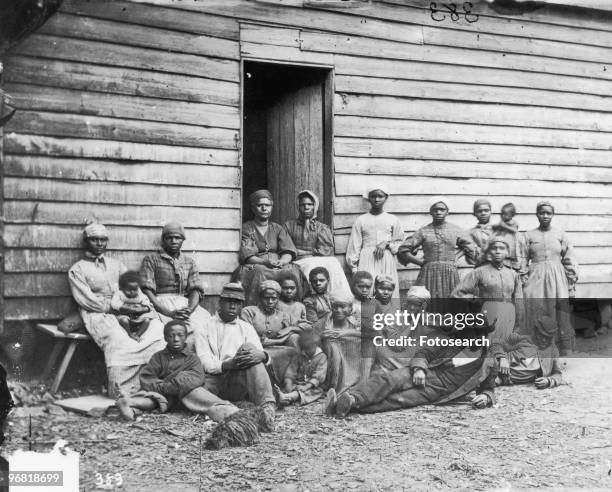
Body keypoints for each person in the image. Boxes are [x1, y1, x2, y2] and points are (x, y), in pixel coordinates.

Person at [68, 224, 165, 398]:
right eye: (94, 239)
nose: (99, 243)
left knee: (157, 331)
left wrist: (145, 306)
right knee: (118, 338)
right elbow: (87, 300)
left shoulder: (117, 265)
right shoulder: (78, 269)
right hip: (98, 313)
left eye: (103, 240)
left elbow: (134, 288)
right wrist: (115, 308)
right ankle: (124, 392)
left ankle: (153, 385)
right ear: (86, 242)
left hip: (128, 310)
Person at [325, 322, 502, 417]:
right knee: (390, 379)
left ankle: (348, 406)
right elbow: (424, 353)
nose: (472, 337)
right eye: (468, 332)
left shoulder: (487, 362)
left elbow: (488, 387)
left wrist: (486, 397)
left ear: (485, 336)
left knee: (398, 400)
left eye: (478, 334)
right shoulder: (452, 342)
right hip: (426, 373)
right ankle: (354, 397)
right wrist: (419, 369)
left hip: (438, 390)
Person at [115, 320, 239, 422]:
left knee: (195, 391)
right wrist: (164, 387)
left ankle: (222, 408)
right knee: (153, 399)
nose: (175, 339)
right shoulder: (158, 357)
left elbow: (197, 377)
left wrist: (175, 384)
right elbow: (147, 377)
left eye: (180, 335)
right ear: (165, 337)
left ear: (185, 337)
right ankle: (129, 403)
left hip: (183, 392)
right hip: (163, 394)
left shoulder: (191, 357)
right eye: (171, 335)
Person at [194, 283, 276, 422]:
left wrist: (263, 356)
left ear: (241, 306)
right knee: (194, 390)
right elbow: (205, 362)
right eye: (229, 302)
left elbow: (258, 355)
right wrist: (228, 364)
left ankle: (267, 408)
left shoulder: (246, 327)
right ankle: (231, 407)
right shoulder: (204, 327)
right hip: (215, 381)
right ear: (220, 302)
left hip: (238, 380)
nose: (233, 306)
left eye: (237, 303)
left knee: (249, 348)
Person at [140, 223, 211, 349]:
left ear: (183, 240)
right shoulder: (151, 259)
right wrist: (167, 312)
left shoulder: (189, 262)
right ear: (163, 240)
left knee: (203, 326)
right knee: (160, 332)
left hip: (183, 303)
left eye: (177, 238)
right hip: (159, 304)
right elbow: (147, 290)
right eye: (169, 238)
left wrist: (189, 309)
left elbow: (195, 289)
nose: (173, 241)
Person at [398, 197, 474, 313]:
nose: (438, 212)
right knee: (427, 302)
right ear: (430, 212)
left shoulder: (455, 229)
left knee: (451, 303)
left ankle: (449, 329)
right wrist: (419, 262)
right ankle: (428, 329)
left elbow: (469, 246)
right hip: (429, 272)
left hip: (449, 272)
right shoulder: (424, 231)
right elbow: (403, 249)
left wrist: (456, 257)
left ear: (447, 212)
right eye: (435, 209)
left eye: (442, 209)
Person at [523, 201, 578, 355]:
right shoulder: (528, 235)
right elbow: (522, 259)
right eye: (542, 212)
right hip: (536, 277)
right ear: (537, 214)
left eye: (549, 213)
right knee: (537, 310)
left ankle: (563, 352)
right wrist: (523, 279)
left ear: (553, 215)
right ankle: (538, 351)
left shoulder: (561, 235)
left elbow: (569, 259)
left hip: (557, 277)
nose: (545, 216)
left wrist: (571, 283)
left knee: (559, 311)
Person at [232, 190, 304, 306]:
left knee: (293, 271)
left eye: (267, 205)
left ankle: (293, 309)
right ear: (253, 208)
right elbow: (249, 256)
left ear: (272, 207)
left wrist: (282, 261)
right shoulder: (247, 228)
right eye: (260, 205)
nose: (264, 209)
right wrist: (266, 262)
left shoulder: (277, 228)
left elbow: (288, 251)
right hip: (259, 264)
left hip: (277, 264)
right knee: (259, 272)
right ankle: (256, 309)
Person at [451, 239, 524, 344]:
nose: (498, 251)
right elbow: (456, 294)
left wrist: (518, 325)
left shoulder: (513, 274)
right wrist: (475, 300)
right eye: (494, 249)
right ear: (489, 252)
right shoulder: (479, 272)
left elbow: (519, 302)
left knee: (507, 350)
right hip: (487, 319)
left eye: (501, 248)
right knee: (489, 351)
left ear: (507, 252)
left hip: (508, 318)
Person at [284, 190, 352, 297]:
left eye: (310, 204)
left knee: (333, 262)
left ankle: (339, 296)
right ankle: (316, 298)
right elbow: (287, 248)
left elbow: (326, 250)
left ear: (315, 206)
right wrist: (300, 253)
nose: (306, 207)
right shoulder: (289, 226)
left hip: (315, 258)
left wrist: (304, 252)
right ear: (298, 207)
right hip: (297, 261)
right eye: (303, 205)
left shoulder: (321, 227)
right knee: (312, 265)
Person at [240, 280, 306, 384]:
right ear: (260, 297)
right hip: (256, 347)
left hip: (278, 346)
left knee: (295, 338)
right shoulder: (249, 311)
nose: (270, 301)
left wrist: (285, 334)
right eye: (266, 298)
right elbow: (245, 334)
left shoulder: (283, 315)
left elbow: (306, 327)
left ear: (278, 299)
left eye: (274, 298)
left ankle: (291, 380)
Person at [345, 186, 404, 299]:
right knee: (368, 289)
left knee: (386, 288)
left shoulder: (392, 219)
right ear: (368, 198)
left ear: (386, 197)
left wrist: (387, 244)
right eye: (373, 196)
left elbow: (400, 243)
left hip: (386, 258)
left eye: (380, 196)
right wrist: (354, 269)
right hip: (367, 258)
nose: (376, 199)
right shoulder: (361, 220)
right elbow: (355, 244)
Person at [496, 316, 562, 389]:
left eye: (548, 337)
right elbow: (496, 342)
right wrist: (502, 357)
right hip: (493, 367)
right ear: (536, 332)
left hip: (502, 380)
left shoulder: (553, 351)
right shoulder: (521, 338)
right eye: (541, 335)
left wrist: (549, 380)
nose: (544, 340)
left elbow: (557, 374)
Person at [315, 292, 362, 393]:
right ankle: (336, 385)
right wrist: (323, 337)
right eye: (335, 307)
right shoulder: (325, 322)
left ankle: (353, 382)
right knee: (332, 346)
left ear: (350, 308)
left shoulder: (355, 322)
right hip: (329, 366)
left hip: (354, 364)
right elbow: (313, 339)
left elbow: (370, 334)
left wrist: (347, 333)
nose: (338, 310)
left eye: (342, 307)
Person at [273, 331, 328, 407]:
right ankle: (285, 397)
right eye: (305, 349)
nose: (307, 352)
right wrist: (288, 384)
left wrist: (307, 386)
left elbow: (318, 375)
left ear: (316, 345)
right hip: (298, 384)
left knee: (314, 392)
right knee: (289, 389)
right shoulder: (299, 356)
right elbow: (291, 371)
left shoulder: (322, 357)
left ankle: (288, 397)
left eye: (310, 349)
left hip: (312, 386)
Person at [110, 270, 157, 341]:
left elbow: (146, 301)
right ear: (122, 288)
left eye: (135, 290)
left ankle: (138, 334)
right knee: (124, 321)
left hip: (138, 315)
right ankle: (129, 334)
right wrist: (124, 307)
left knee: (147, 320)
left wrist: (143, 308)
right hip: (125, 314)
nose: (132, 292)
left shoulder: (139, 294)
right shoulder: (119, 293)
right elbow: (114, 303)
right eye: (129, 290)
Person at [492, 203, 528, 283]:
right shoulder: (500, 231)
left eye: (506, 214)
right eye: (502, 214)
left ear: (512, 215)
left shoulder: (515, 229)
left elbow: (514, 230)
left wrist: (503, 226)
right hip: (503, 261)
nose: (503, 216)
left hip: (514, 262)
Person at [463, 199, 494, 266]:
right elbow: (471, 258)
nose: (483, 213)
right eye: (480, 211)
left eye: (486, 210)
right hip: (480, 268)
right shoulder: (469, 233)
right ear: (474, 214)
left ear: (491, 212)